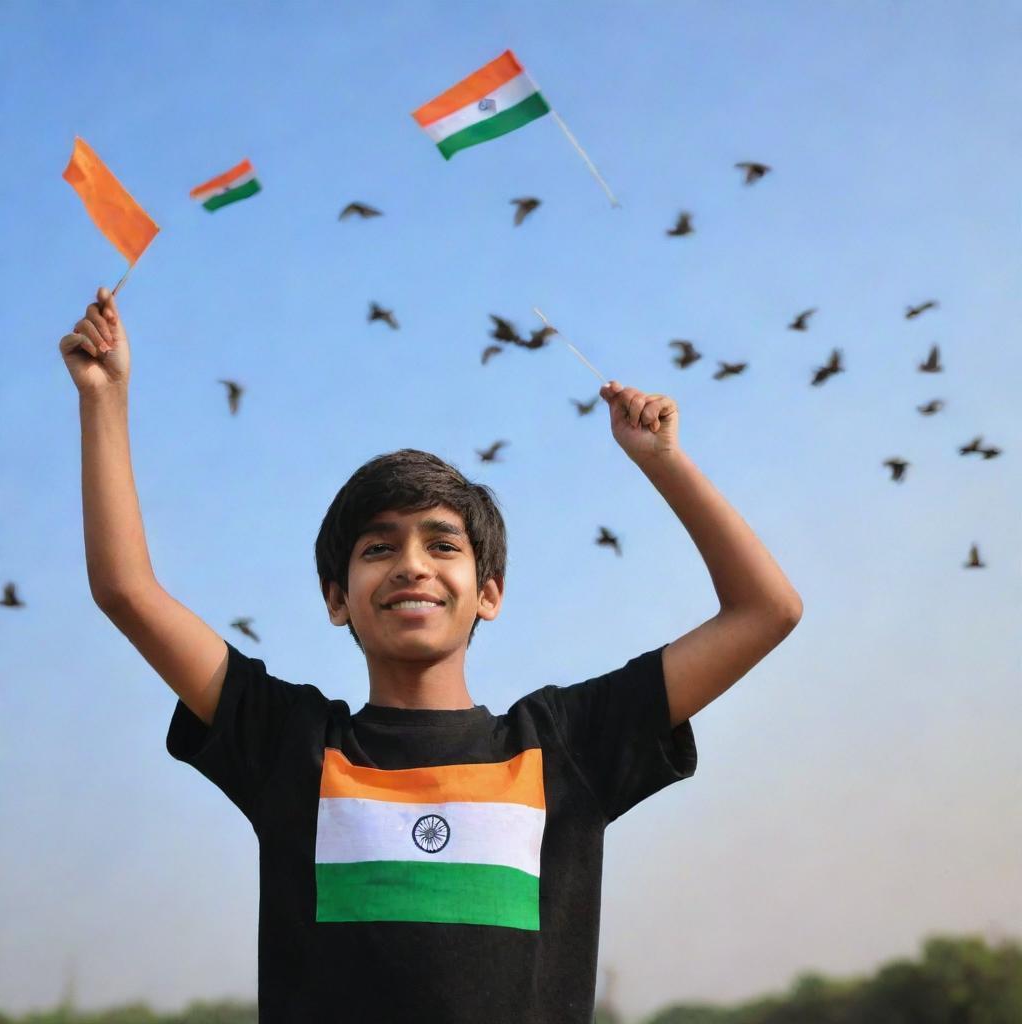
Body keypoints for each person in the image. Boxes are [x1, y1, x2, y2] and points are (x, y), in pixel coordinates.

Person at [64, 285, 803, 1023]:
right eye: (378, 547)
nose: (412, 565)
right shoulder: (289, 744)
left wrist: (663, 460)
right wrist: (105, 396)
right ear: (336, 598)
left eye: (442, 545)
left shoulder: (564, 746)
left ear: (488, 593)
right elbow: (126, 591)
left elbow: (766, 610)